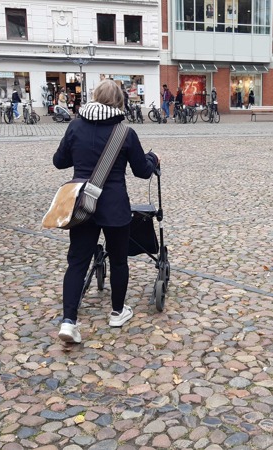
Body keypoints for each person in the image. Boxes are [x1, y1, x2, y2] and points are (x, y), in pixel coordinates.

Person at [53, 80, 160, 343]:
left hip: (82, 205)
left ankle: (69, 321)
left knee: (77, 261)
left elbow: (59, 162)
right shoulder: (125, 133)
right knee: (119, 260)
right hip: (114, 206)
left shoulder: (75, 126)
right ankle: (117, 312)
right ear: (120, 102)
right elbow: (142, 171)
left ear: (94, 98)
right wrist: (152, 159)